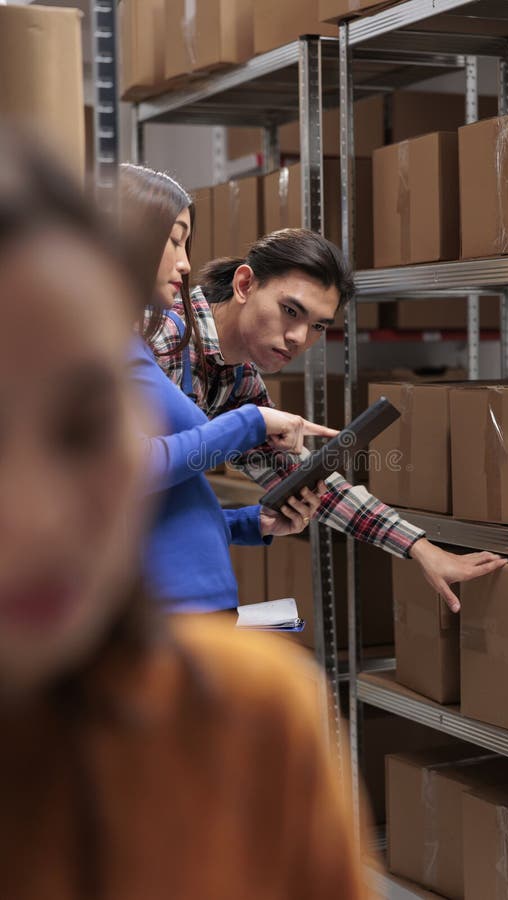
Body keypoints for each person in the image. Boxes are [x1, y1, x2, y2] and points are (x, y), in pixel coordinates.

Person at [0, 130, 371, 900]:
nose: (38, 517)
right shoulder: (173, 359)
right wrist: (243, 430)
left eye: (81, 430)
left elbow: (156, 491)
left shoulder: (260, 715)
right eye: (171, 241)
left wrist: (248, 525)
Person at [149, 225, 508, 611]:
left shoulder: (239, 381)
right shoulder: (161, 338)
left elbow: (306, 482)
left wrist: (419, 548)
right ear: (244, 284)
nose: (299, 337)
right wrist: (248, 423)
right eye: (290, 311)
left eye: (318, 325)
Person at [120, 166, 335, 611]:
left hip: (191, 609)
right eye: (175, 238)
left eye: (317, 326)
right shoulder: (128, 342)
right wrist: (250, 423)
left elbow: (166, 505)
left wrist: (249, 524)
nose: (184, 262)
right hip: (158, 612)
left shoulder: (129, 343)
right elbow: (126, 472)